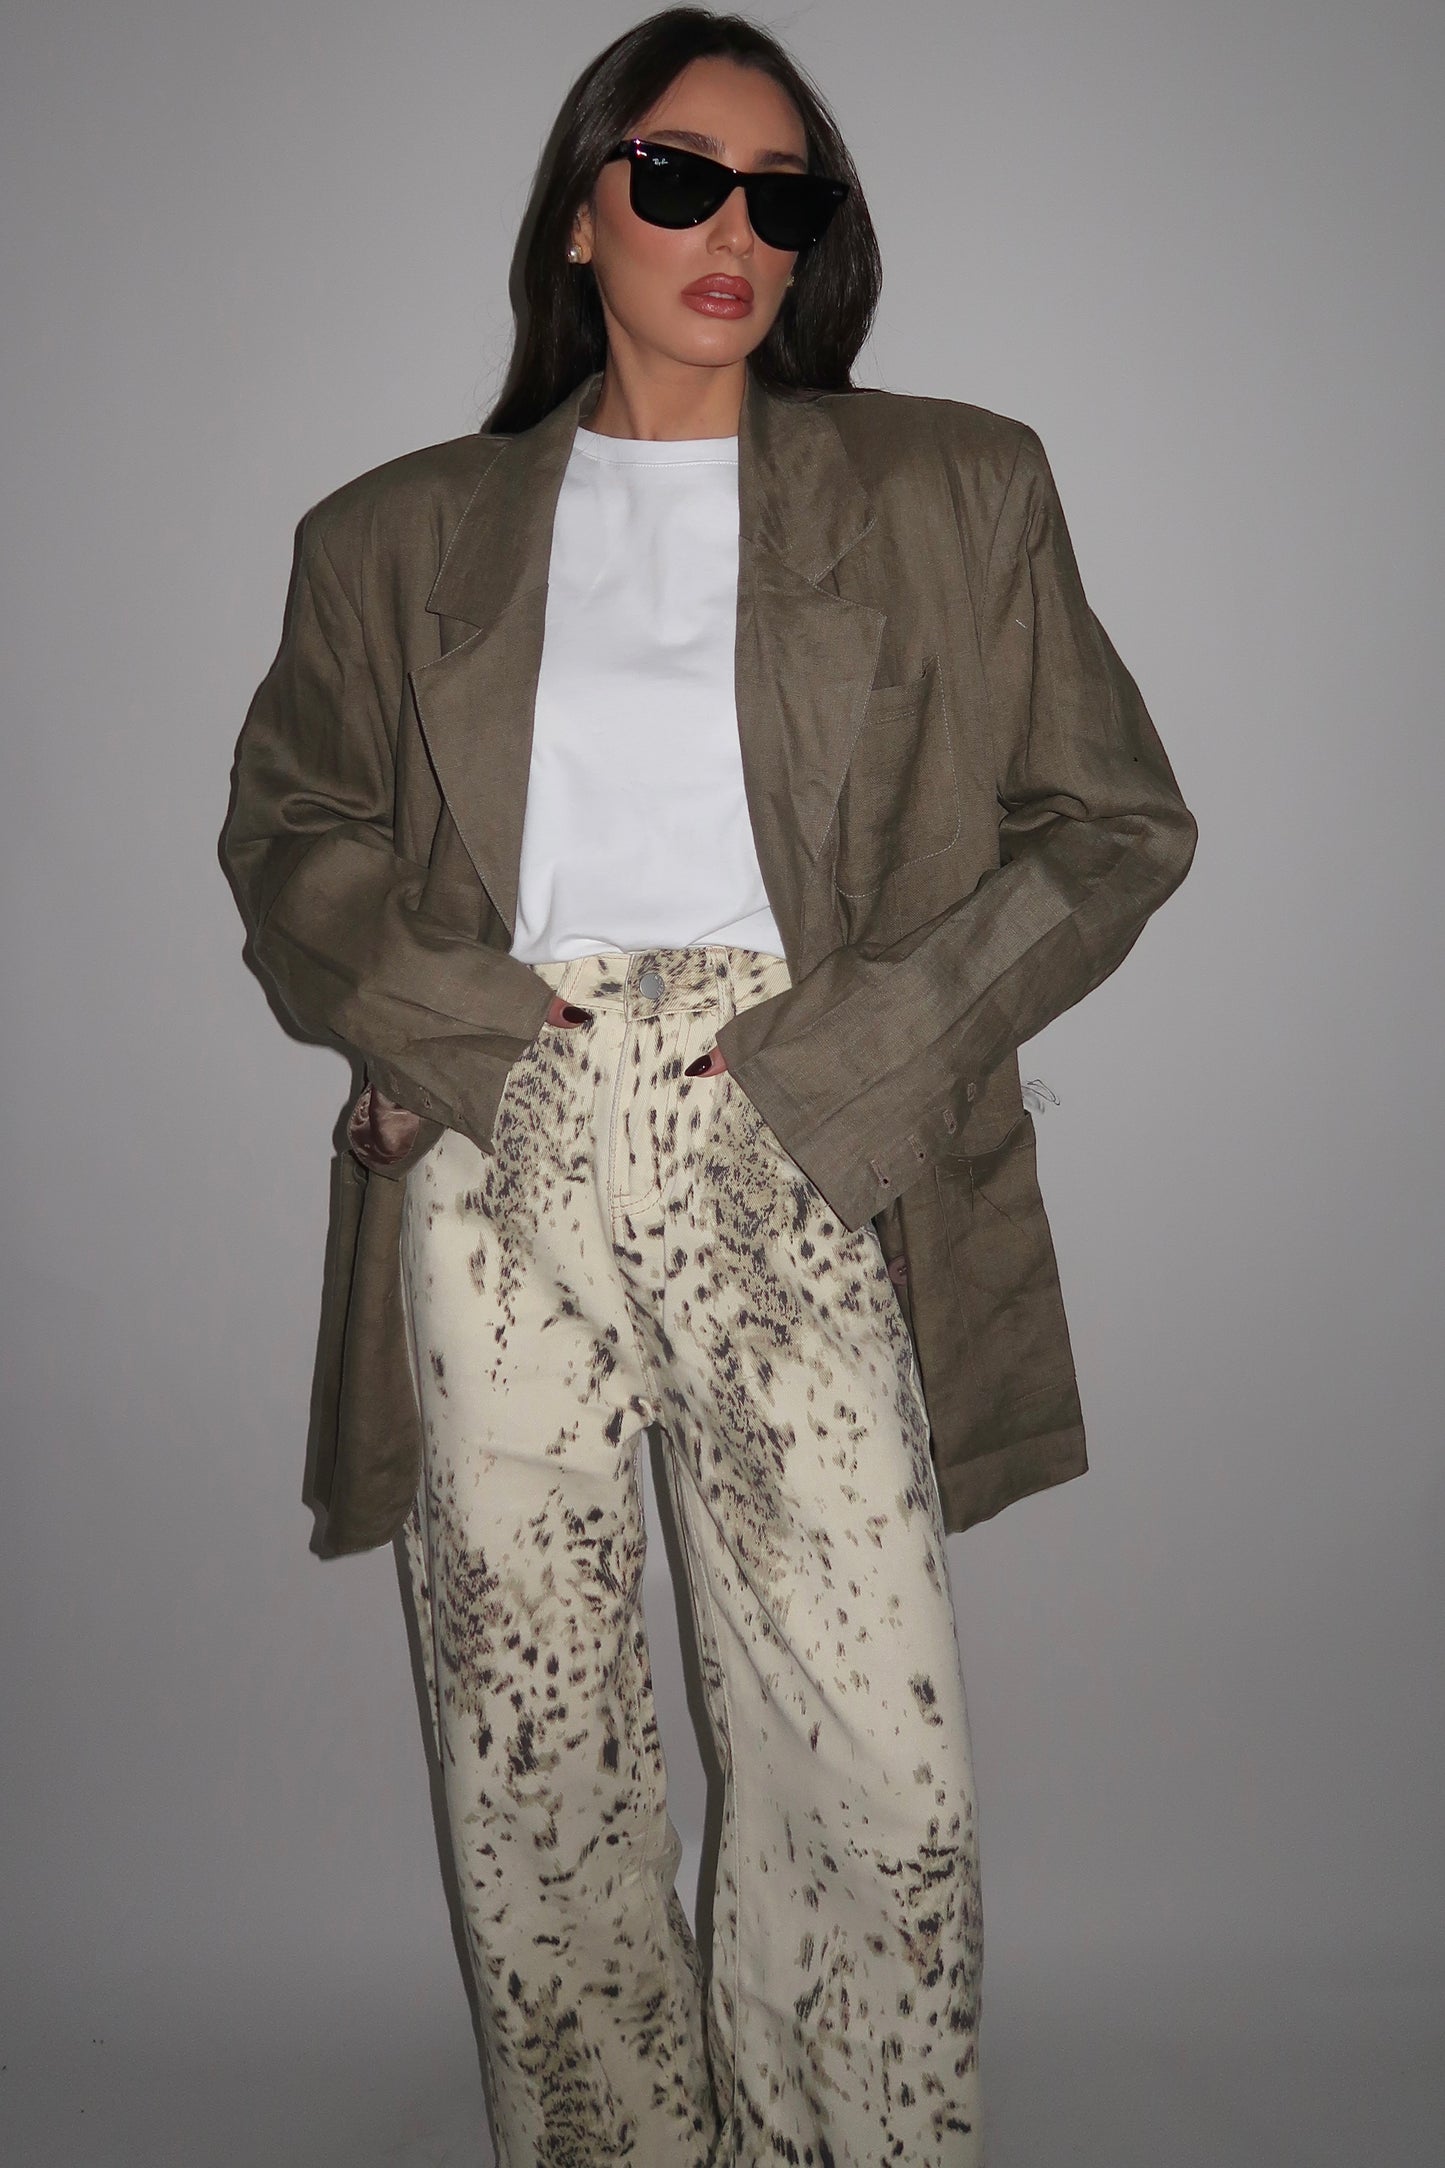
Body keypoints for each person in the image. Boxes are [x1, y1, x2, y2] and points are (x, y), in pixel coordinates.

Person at [221, 8, 1197, 2163]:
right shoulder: (391, 534)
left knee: (873, 1770)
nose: (732, 230)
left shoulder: (955, 488)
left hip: (792, 1129)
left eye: (783, 195)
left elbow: (1113, 821)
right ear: (582, 215)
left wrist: (860, 1053)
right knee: (534, 1755)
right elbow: (291, 832)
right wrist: (442, 1026)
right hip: (499, 1147)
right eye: (677, 179)